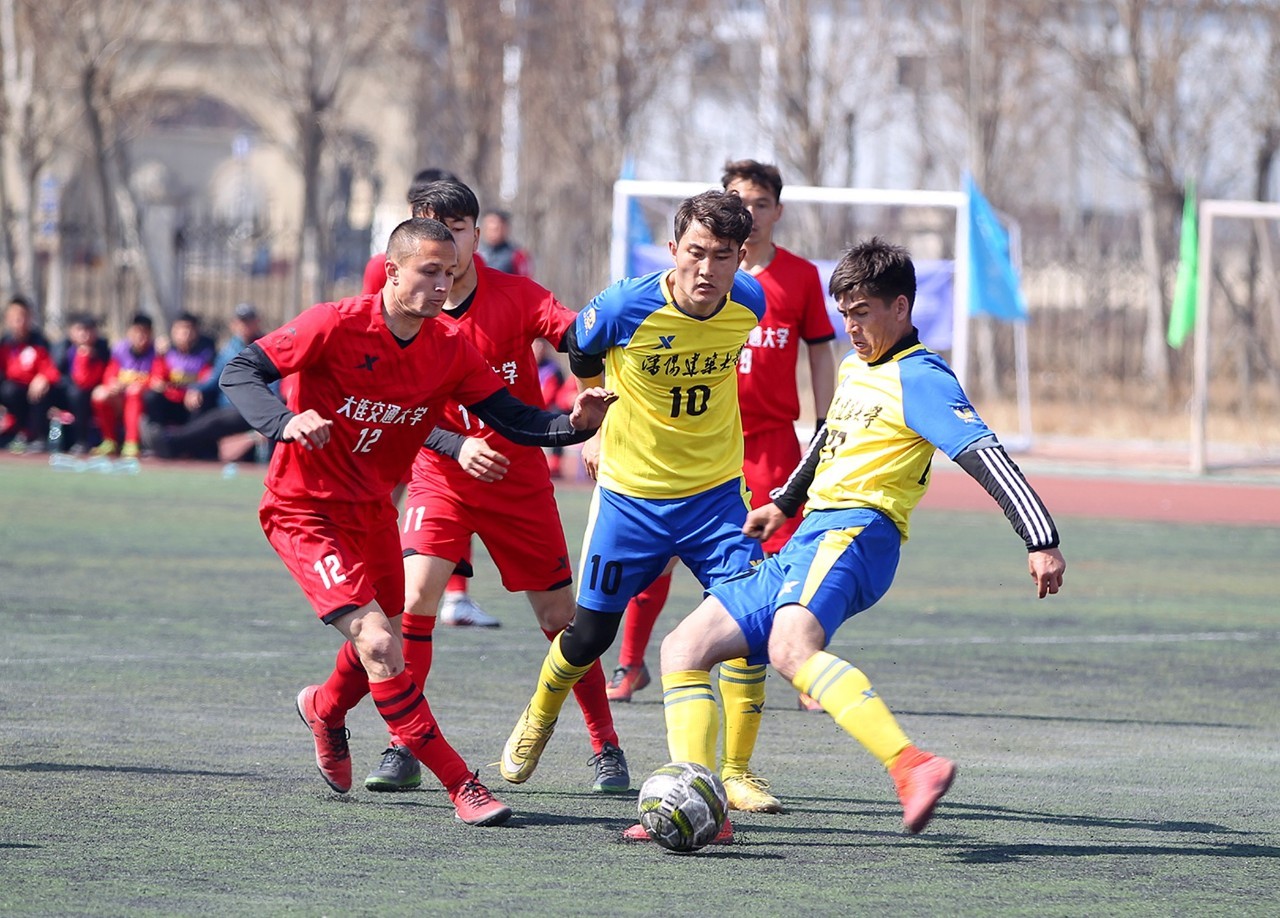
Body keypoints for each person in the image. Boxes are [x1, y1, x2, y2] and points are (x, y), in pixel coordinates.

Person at [622, 237, 1067, 843]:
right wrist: (783, 503)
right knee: (683, 648)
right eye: (844, 313)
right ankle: (706, 803)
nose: (850, 327)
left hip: (859, 531)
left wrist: (1039, 537)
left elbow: (984, 453)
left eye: (862, 313)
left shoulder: (923, 377)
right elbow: (827, 441)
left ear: (901, 308)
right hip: (811, 532)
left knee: (789, 647)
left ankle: (912, 765)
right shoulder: (859, 369)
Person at [218, 216, 614, 826]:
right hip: (305, 511)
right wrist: (283, 422)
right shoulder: (334, 323)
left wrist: (576, 424)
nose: (440, 286)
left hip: (375, 510)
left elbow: (513, 418)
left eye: (449, 273)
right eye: (428, 271)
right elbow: (241, 371)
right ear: (392, 268)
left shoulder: (449, 347)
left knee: (387, 636)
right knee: (378, 641)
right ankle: (463, 785)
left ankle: (324, 709)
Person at [498, 190, 777, 838]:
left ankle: (727, 778)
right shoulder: (625, 305)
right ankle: (540, 713)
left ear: (743, 258)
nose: (707, 270)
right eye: (695, 253)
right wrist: (591, 427)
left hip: (715, 499)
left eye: (722, 257)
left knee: (748, 629)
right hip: (632, 500)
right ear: (673, 250)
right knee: (589, 636)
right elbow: (581, 353)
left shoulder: (751, 306)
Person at [360, 180, 629, 796]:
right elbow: (391, 404)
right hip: (440, 477)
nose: (445, 242)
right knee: (416, 595)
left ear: (477, 236)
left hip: (519, 479)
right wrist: (454, 446)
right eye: (431, 227)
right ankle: (405, 741)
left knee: (562, 617)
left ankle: (605, 745)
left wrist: (592, 422)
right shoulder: (396, 309)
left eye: (456, 228)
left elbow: (580, 341)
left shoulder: (517, 296)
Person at [606, 159, 838, 719]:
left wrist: (827, 426)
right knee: (656, 561)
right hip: (697, 446)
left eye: (760, 204)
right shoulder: (689, 283)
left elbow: (820, 350)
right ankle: (630, 662)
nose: (750, 214)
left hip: (773, 443)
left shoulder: (798, 278)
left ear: (777, 212)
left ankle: (803, 666)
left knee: (782, 565)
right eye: (739, 201)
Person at [363, 167, 493, 627]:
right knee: (384, 494)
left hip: (448, 415)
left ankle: (454, 593)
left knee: (453, 493)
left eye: (456, 228)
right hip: (396, 406)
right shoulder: (387, 268)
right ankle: (370, 577)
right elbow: (372, 325)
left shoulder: (491, 279)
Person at [146, 303, 266, 460]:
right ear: (234, 324)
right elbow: (214, 378)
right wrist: (197, 388)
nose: (244, 326)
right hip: (228, 406)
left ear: (257, 322)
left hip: (252, 408)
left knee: (213, 422)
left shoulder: (265, 347)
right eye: (241, 321)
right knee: (208, 414)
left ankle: (173, 442)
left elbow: (273, 384)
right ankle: (175, 444)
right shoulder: (229, 349)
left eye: (248, 321)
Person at [90, 313, 156, 457]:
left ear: (150, 334)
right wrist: (113, 384)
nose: (140, 337)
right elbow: (110, 374)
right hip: (121, 399)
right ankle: (110, 441)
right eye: (137, 332)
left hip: (143, 401)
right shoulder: (120, 350)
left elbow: (157, 378)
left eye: (144, 332)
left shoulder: (156, 353)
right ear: (129, 333)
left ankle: (131, 443)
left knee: (134, 391)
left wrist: (139, 384)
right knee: (100, 394)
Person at [143, 312, 215, 444]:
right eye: (181, 329)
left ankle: (192, 443)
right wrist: (159, 382)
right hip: (170, 398)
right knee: (152, 396)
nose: (185, 333)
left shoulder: (205, 354)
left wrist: (196, 389)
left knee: (203, 399)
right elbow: (158, 376)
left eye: (189, 329)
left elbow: (208, 377)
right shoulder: (166, 353)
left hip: (190, 402)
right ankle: (157, 438)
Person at [0, 295, 60, 453]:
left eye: (24, 317)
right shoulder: (4, 343)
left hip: (35, 392)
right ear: (8, 319)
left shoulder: (39, 342)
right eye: (16, 318)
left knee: (40, 393)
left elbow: (52, 370)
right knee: (9, 390)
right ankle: (14, 432)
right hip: (12, 393)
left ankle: (37, 437)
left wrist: (43, 377)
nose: (20, 322)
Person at [50, 313, 111, 454]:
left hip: (88, 394)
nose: (85, 335)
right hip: (65, 393)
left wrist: (84, 358)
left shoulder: (102, 350)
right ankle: (37, 438)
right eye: (80, 330)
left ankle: (82, 441)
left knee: (78, 394)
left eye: (89, 330)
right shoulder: (61, 348)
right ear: (72, 332)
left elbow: (84, 380)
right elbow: (54, 373)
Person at [477, 209, 534, 277]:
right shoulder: (478, 254)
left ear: (505, 228)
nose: (492, 233)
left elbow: (526, 281)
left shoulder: (517, 255)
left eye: (496, 229)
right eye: (489, 229)